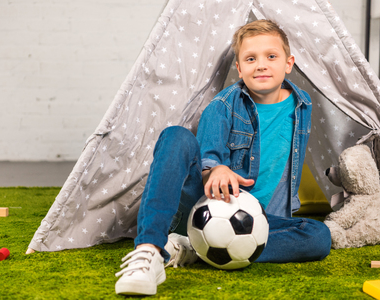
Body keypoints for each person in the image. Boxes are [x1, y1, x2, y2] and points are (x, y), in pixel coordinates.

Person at [114, 19, 331, 296]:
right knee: (176, 136)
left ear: (289, 63)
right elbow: (208, 157)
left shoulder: (302, 105)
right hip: (205, 211)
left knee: (319, 236)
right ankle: (150, 252)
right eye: (251, 59)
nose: (261, 65)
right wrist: (215, 169)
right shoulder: (223, 106)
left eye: (271, 56)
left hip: (260, 221)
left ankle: (196, 248)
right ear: (239, 68)